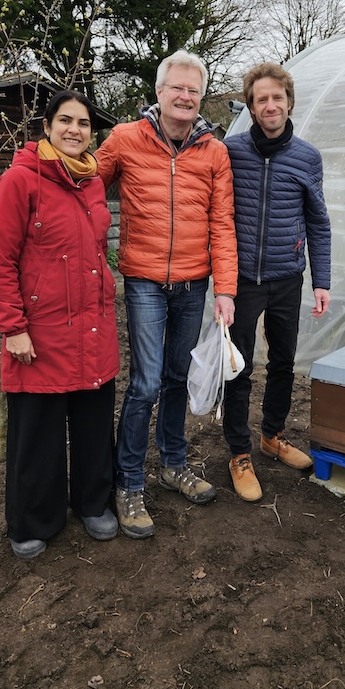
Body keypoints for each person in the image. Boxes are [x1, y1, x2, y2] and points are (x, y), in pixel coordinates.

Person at [95, 50, 237, 539]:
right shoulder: (125, 139)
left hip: (194, 284)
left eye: (193, 90)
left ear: (201, 98)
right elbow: (86, 187)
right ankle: (129, 482)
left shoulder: (213, 151)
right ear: (159, 92)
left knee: (177, 377)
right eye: (176, 88)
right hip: (145, 281)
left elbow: (222, 223)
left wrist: (226, 290)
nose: (184, 96)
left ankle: (173, 465)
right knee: (147, 383)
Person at [0, 89, 119, 560]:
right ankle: (33, 517)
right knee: (38, 432)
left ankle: (92, 502)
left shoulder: (94, 182)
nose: (74, 130)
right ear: (46, 127)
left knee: (93, 423)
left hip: (92, 325)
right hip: (39, 330)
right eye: (65, 120)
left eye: (83, 124)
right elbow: (0, 263)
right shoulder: (19, 182)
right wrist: (13, 326)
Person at [223, 62, 331, 501]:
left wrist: (320, 280)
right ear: (250, 105)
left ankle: (272, 436)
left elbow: (318, 222)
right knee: (238, 366)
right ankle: (238, 452)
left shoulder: (307, 157)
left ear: (289, 103)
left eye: (277, 98)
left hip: (288, 276)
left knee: (284, 362)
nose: (270, 105)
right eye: (261, 98)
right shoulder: (229, 151)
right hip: (244, 279)